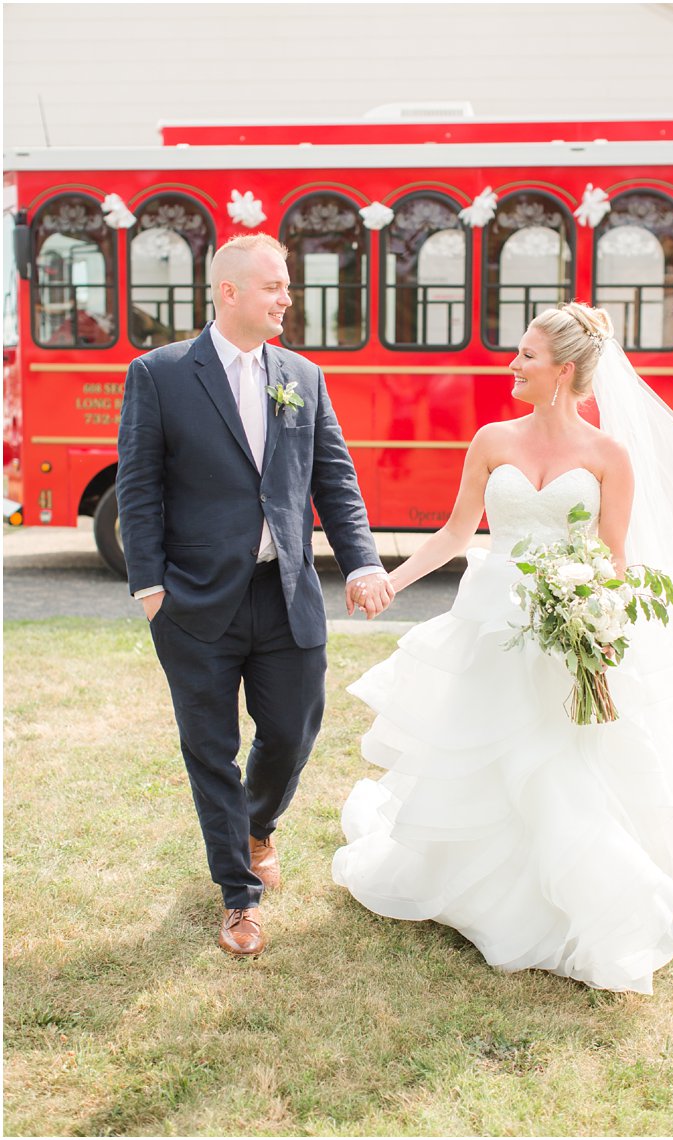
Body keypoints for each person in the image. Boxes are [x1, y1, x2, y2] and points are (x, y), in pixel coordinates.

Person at [331, 302, 673, 994]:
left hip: (571, 630)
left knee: (566, 761)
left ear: (563, 371)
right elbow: (454, 533)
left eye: (526, 355)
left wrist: (601, 622)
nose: (512, 364)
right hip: (494, 624)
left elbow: (616, 558)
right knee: (490, 752)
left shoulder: (606, 456)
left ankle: (581, 890)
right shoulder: (492, 439)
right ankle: (478, 886)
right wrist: (389, 580)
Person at [117, 233, 393, 959]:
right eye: (275, 286)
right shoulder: (160, 373)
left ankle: (259, 824)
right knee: (210, 750)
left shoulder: (301, 374)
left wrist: (361, 563)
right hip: (193, 602)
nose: (287, 298)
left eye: (288, 286)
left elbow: (335, 479)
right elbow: (138, 488)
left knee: (295, 729)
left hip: (287, 591)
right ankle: (239, 896)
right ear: (230, 292)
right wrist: (150, 589)